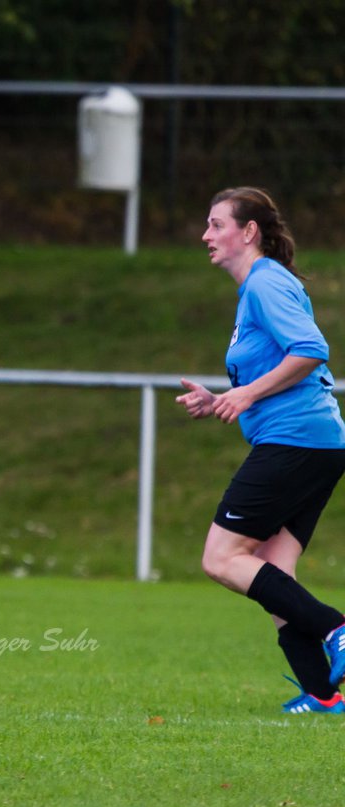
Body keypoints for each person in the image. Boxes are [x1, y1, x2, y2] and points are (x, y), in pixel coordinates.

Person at [176, 186, 345, 714]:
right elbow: (277, 362)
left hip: (297, 441)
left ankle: (338, 630)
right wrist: (222, 398)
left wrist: (245, 394)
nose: (206, 235)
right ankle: (323, 694)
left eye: (216, 224)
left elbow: (312, 349)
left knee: (222, 558)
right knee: (274, 568)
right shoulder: (261, 285)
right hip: (316, 443)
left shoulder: (264, 282)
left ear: (249, 232)